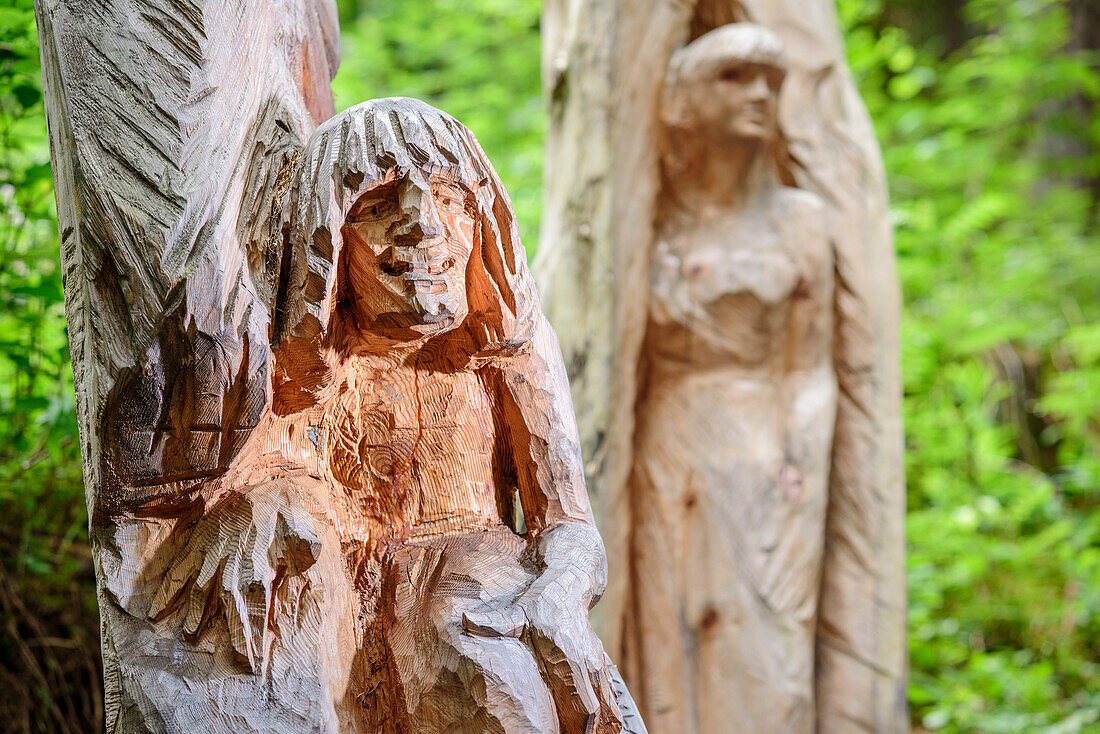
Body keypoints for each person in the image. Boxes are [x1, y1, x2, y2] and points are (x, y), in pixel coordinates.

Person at [107, 97, 637, 734]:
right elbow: (253, 470)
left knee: (490, 670)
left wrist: (561, 588)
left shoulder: (507, 345)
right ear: (326, 246)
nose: (424, 226)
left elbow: (569, 523)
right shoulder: (291, 363)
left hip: (473, 579)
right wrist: (259, 507)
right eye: (380, 205)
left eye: (449, 198)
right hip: (339, 587)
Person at [625, 24, 836, 734]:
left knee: (769, 659)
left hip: (763, 455)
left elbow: (813, 368)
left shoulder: (800, 221)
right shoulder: (645, 218)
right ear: (684, 97)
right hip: (669, 447)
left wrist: (800, 477)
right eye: (736, 76)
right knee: (671, 635)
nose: (760, 94)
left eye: (771, 81)